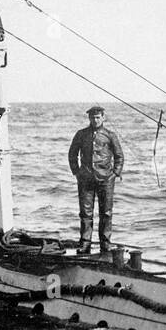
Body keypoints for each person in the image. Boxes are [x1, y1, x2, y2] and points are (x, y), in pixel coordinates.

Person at [67, 106, 124, 255]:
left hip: (106, 179)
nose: (95, 120)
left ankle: (105, 244)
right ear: (89, 118)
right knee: (85, 213)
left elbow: (119, 156)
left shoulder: (110, 135)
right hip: (86, 179)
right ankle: (85, 244)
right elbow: (72, 154)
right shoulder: (81, 134)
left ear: (103, 118)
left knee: (106, 213)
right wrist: (77, 172)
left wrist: (115, 173)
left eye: (98, 117)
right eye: (93, 117)